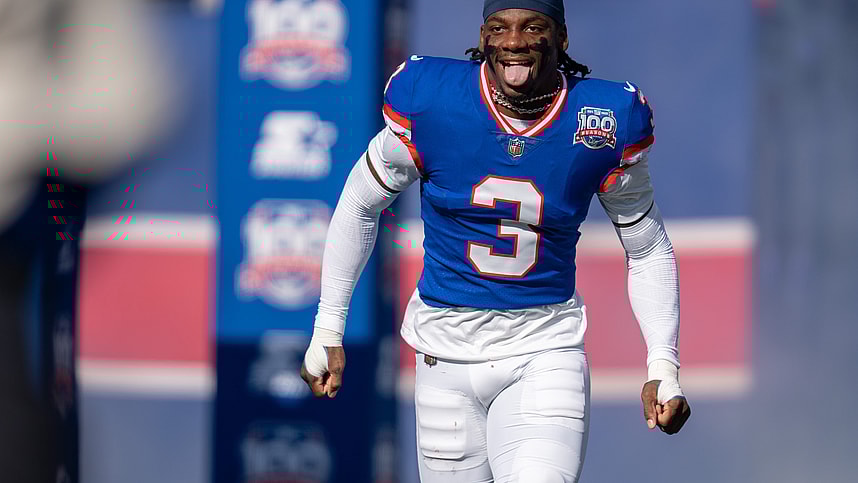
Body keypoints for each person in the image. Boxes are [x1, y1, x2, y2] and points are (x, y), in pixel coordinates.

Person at [301, 0, 691, 481]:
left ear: (562, 38)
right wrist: (328, 327)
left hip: (543, 350)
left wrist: (663, 364)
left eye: (534, 27)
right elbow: (361, 203)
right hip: (443, 354)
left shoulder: (604, 120)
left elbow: (647, 246)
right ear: (483, 36)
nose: (514, 42)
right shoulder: (432, 101)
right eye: (499, 27)